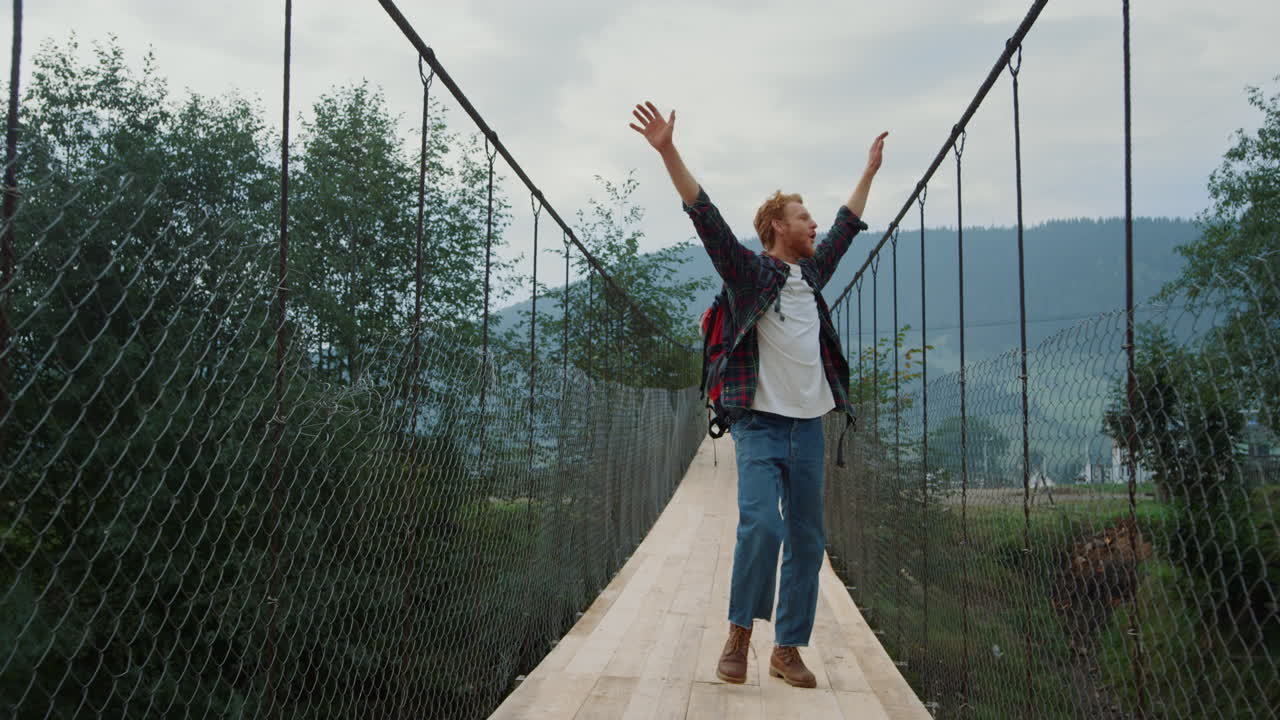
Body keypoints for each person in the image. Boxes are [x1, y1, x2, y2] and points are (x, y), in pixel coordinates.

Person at [629, 101, 886, 688]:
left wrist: (869, 171)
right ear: (777, 227)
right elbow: (706, 218)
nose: (814, 225)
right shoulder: (750, 276)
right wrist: (668, 150)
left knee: (808, 541)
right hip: (759, 425)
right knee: (763, 527)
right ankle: (740, 632)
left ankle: (786, 649)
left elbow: (847, 224)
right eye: (803, 217)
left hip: (810, 426)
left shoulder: (812, 276)